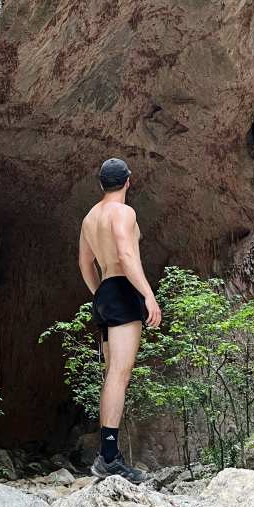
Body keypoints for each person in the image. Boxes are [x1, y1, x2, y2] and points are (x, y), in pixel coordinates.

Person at [78, 157, 161, 483]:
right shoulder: (123, 213)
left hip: (106, 293)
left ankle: (109, 454)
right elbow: (127, 255)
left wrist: (99, 293)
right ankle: (109, 458)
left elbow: (85, 263)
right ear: (129, 181)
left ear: (101, 184)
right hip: (124, 291)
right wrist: (148, 295)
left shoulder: (89, 218)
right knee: (119, 374)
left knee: (112, 375)